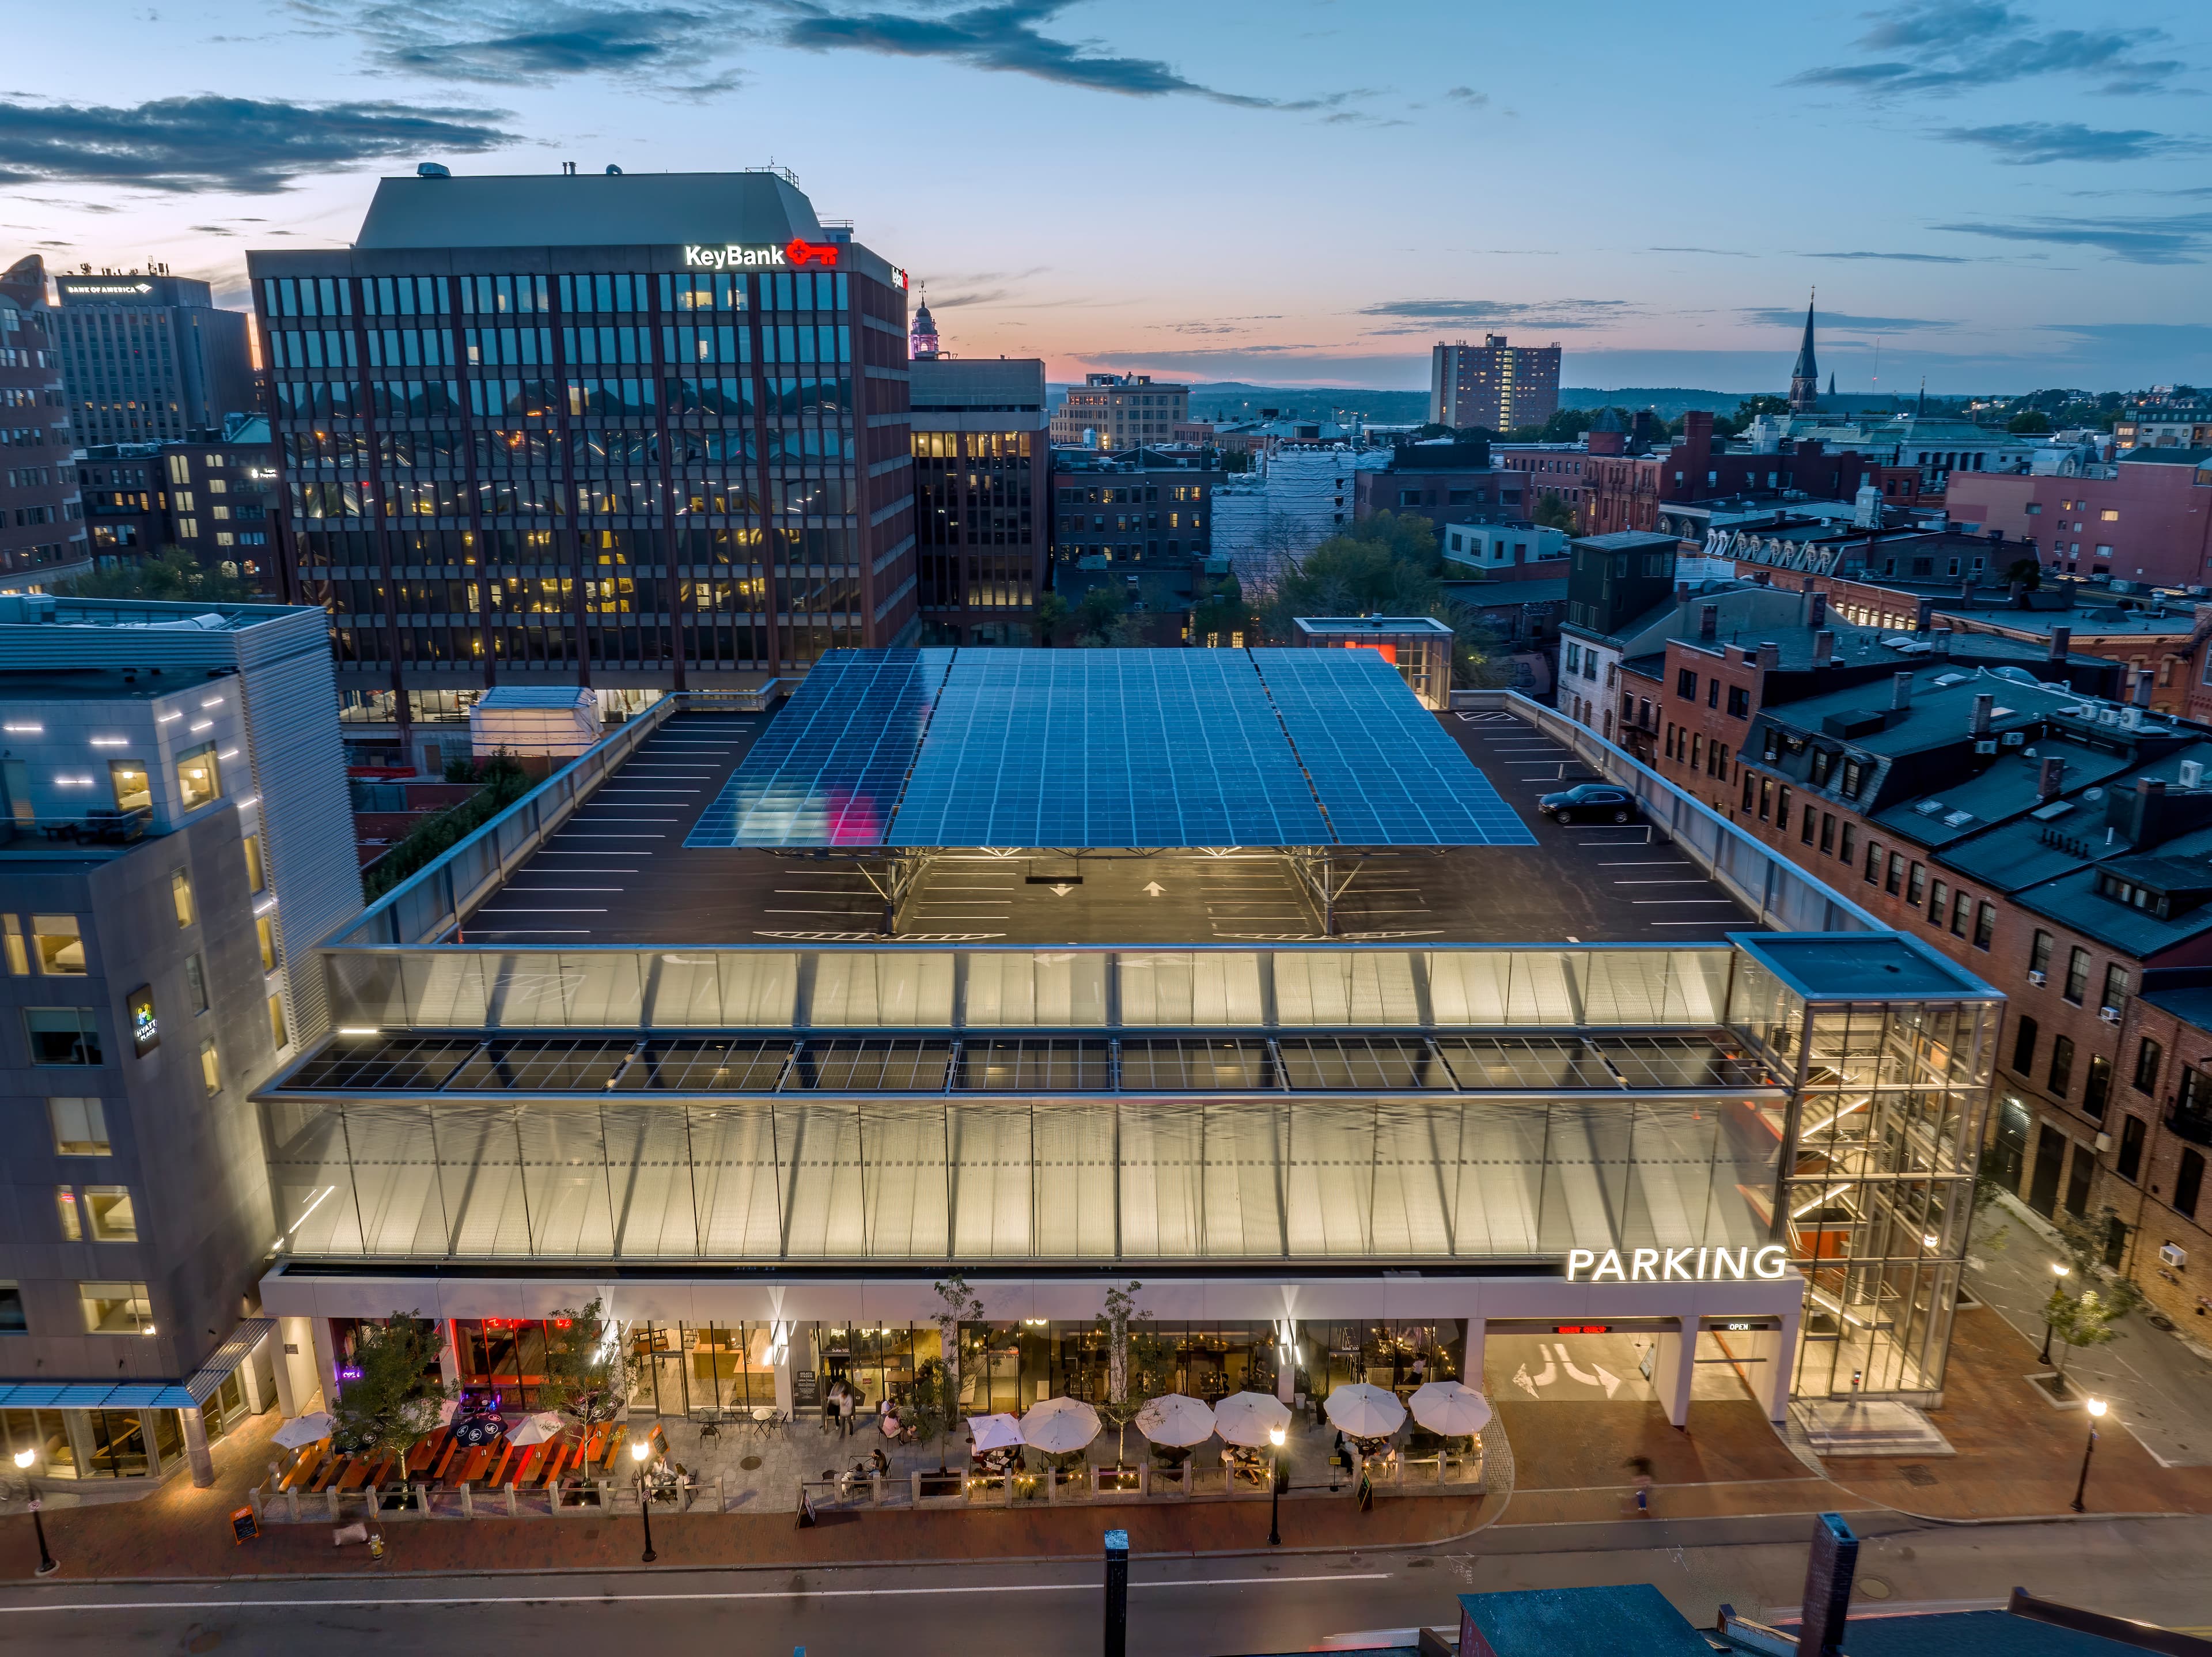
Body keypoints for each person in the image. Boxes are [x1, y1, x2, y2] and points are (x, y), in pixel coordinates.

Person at [1625, 1454, 1654, 1518]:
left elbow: (1632, 1463)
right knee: (1641, 1495)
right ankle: (1643, 1509)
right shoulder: (1646, 1462)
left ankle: (1642, 1508)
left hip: (1643, 1480)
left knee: (1641, 1495)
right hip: (1644, 1480)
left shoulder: (1643, 1476)